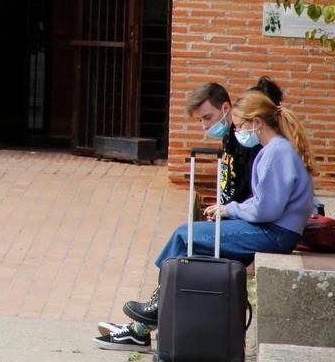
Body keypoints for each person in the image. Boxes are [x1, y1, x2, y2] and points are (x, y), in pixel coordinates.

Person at [97, 87, 317, 351]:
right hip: (275, 229)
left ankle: (155, 309)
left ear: (256, 122)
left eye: (240, 126)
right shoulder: (276, 149)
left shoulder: (275, 152)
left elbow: (265, 210)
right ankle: (151, 316)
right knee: (192, 240)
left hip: (275, 233)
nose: (237, 132)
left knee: (184, 234)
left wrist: (229, 210)